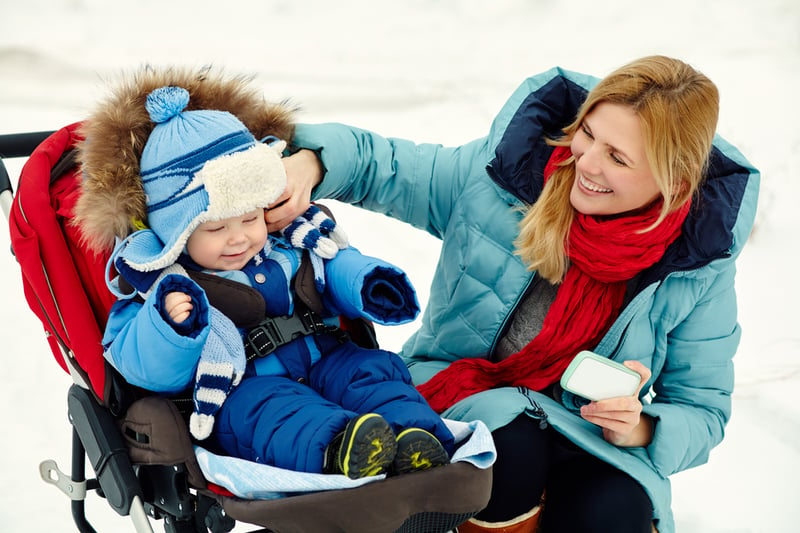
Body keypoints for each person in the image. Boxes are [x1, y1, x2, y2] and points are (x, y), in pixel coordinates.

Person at [271, 55, 760, 532]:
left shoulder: (697, 265)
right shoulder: (508, 179)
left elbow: (703, 408)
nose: (585, 161)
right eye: (588, 133)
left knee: (614, 512)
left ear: (673, 181)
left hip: (592, 436)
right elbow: (387, 166)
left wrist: (641, 427)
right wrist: (312, 163)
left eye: (618, 158)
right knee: (509, 450)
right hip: (464, 396)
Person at [73, 71, 455, 480]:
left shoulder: (290, 242)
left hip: (327, 358)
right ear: (177, 234)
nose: (238, 237)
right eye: (216, 228)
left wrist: (364, 281)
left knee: (371, 372)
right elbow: (140, 367)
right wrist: (169, 328)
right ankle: (343, 447)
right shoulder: (160, 285)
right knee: (270, 413)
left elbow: (330, 267)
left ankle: (415, 437)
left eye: (250, 218)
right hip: (246, 387)